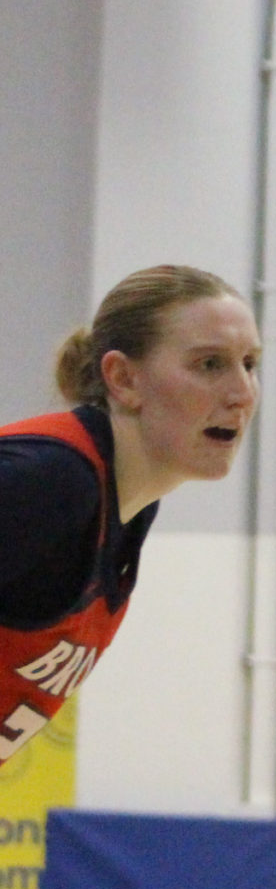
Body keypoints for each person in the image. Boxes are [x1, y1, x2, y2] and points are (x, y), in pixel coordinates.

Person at [3, 266, 259, 771]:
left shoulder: (125, 505)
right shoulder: (52, 479)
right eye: (210, 364)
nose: (243, 392)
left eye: (249, 364)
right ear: (123, 379)